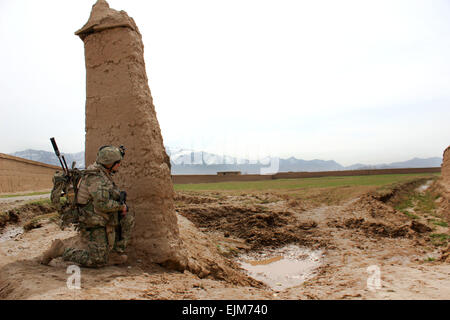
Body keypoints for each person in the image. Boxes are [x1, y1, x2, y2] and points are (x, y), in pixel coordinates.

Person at [40, 145, 135, 267]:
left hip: (99, 215)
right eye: (118, 163)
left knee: (128, 217)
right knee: (97, 260)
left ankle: (115, 253)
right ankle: (60, 250)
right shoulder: (96, 177)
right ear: (110, 163)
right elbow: (102, 204)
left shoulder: (102, 173)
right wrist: (121, 207)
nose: (119, 165)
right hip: (91, 220)